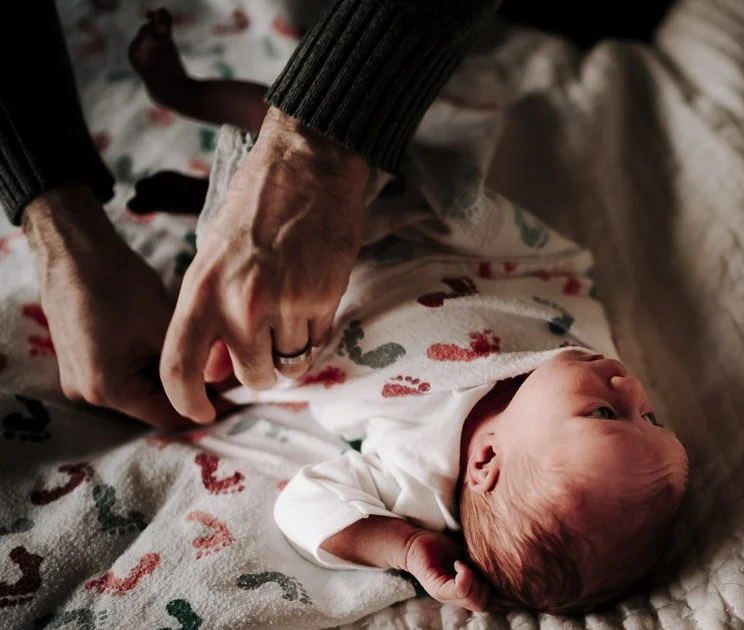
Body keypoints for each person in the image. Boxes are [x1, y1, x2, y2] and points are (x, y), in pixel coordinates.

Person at [125, 11, 689, 613]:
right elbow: (561, 281)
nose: (631, 387)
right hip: (426, 231)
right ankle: (190, 99)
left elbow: (305, 507)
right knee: (335, 129)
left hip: (332, 296)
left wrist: (402, 545)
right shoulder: (577, 362)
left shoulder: (417, 476)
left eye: (606, 413)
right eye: (653, 418)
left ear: (486, 461)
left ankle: (199, 155)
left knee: (221, 345)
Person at [1, 0, 500, 429]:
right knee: (262, 119)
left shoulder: (408, 441)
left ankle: (190, 104)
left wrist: (210, 195)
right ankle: (184, 91)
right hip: (376, 177)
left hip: (317, 241)